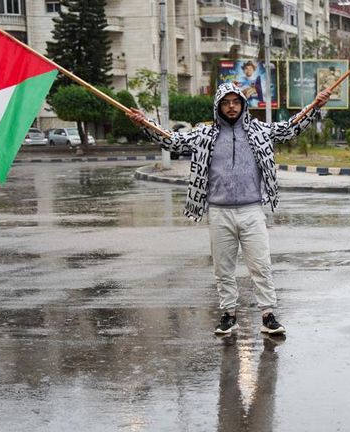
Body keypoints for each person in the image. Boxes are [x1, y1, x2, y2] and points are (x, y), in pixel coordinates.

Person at [127, 83, 331, 336]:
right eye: (226, 102)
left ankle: (268, 315)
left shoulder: (259, 131)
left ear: (243, 105)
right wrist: (144, 123)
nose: (231, 107)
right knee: (222, 269)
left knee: (261, 265)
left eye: (236, 102)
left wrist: (315, 106)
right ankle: (228, 315)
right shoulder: (204, 134)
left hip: (251, 210)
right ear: (218, 106)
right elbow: (173, 142)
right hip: (219, 212)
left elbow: (290, 128)